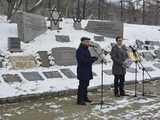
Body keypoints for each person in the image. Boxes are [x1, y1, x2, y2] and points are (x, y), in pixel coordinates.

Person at [76, 37, 98, 105]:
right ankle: (80, 100)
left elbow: (87, 58)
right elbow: (82, 61)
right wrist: (92, 60)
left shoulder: (86, 49)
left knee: (86, 85)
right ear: (83, 42)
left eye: (89, 42)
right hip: (82, 70)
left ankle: (85, 98)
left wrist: (93, 58)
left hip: (87, 70)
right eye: (87, 42)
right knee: (82, 85)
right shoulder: (79, 50)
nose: (88, 43)